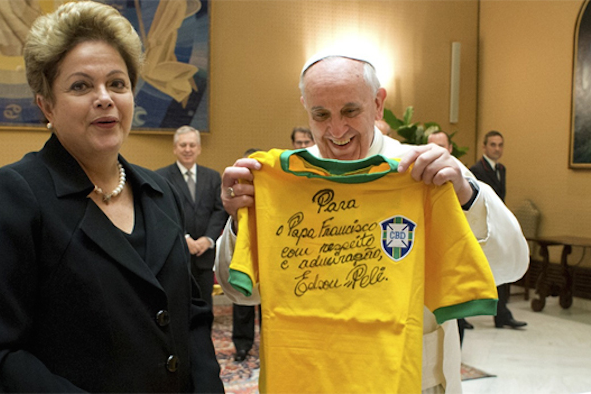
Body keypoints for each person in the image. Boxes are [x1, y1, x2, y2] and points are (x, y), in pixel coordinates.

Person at [215, 49, 529, 393]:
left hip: (409, 379)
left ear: (378, 103)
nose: (336, 130)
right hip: (310, 377)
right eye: (321, 114)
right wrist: (237, 220)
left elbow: (512, 264)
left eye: (351, 110)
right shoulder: (288, 183)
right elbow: (240, 292)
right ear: (305, 106)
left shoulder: (426, 172)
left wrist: (466, 195)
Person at [0, 2, 223, 392]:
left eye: (117, 83)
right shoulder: (11, 195)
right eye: (81, 86)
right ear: (46, 105)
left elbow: (191, 315)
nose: (105, 98)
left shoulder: (161, 192)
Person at [156, 126, 228, 307]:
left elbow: (219, 210)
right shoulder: (161, 177)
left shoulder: (212, 177)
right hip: (178, 252)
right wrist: (184, 237)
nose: (188, 149)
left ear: (199, 148)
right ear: (175, 148)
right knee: (178, 305)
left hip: (205, 254)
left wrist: (208, 239)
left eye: (192, 145)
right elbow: (163, 212)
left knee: (205, 305)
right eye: (183, 145)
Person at [470, 130, 527, 330]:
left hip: (498, 226)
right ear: (484, 147)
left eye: (500, 145)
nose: (497, 149)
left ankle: (502, 314)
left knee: (500, 270)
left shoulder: (501, 169)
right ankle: (464, 316)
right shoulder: (476, 169)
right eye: (493, 145)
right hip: (482, 228)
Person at [427, 131, 476, 343]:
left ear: (450, 148)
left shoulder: (462, 174)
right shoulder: (420, 173)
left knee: (457, 315)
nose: (436, 150)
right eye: (431, 146)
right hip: (433, 248)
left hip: (458, 244)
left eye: (441, 146)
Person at [229, 148, 261, 362]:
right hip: (242, 249)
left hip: (269, 254)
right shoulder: (235, 190)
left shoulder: (276, 188)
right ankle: (242, 344)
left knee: (268, 305)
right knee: (242, 302)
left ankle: (269, 344)